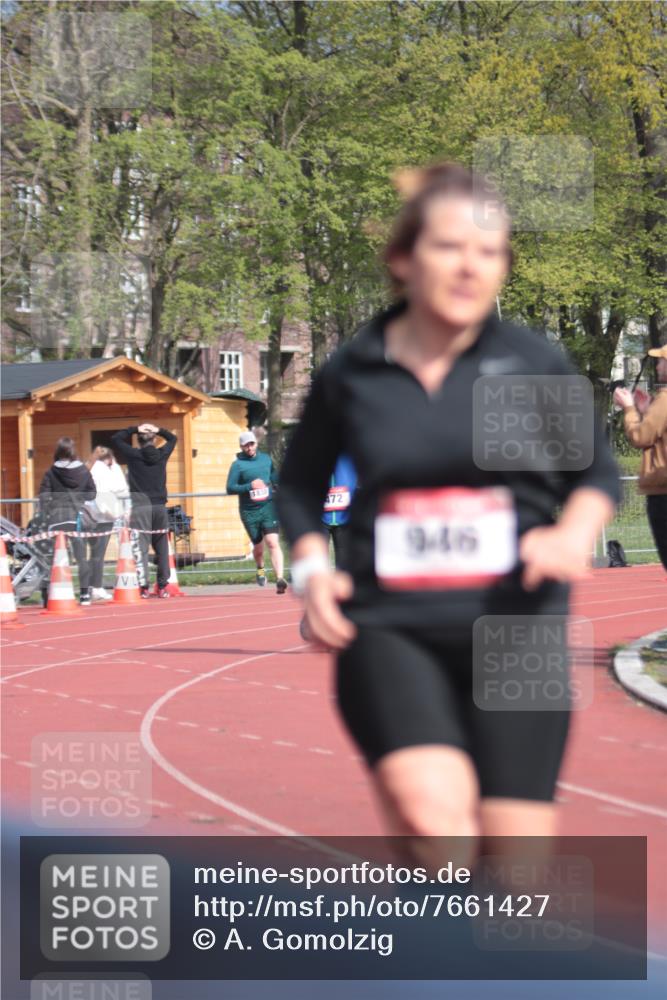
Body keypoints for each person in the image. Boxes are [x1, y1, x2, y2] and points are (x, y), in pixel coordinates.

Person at [278, 161, 619, 862]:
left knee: (515, 868)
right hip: (390, 628)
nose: (470, 267)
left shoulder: (529, 362)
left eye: (489, 252)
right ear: (402, 259)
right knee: (437, 827)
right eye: (448, 247)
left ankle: (431, 961)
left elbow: (594, 472)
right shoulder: (353, 370)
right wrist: (312, 575)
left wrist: (571, 533)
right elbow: (299, 487)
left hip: (514, 632)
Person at [614, 345, 667, 571]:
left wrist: (629, 409)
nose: (658, 365)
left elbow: (641, 436)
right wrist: (646, 411)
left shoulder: (665, 400)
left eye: (662, 361)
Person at [111, 423, 176, 598]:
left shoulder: (134, 455)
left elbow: (116, 438)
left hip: (141, 507)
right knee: (162, 547)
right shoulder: (162, 454)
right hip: (160, 507)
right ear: (154, 440)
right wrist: (159, 429)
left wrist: (134, 428)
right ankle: (163, 586)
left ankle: (143, 587)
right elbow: (173, 438)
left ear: (138, 441)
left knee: (141, 548)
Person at [39, 437, 97, 606]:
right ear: (73, 451)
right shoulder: (83, 471)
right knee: (81, 558)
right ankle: (85, 594)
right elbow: (92, 494)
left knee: (52, 558)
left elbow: (44, 495)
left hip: (56, 519)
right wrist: (79, 497)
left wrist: (47, 511)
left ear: (58, 452)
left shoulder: (51, 472)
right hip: (76, 518)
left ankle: (49, 594)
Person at [226, 430, 287, 594]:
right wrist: (249, 486)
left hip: (268, 508)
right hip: (249, 511)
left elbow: (274, 476)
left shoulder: (266, 459)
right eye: (246, 445)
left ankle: (280, 578)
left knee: (273, 543)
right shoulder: (238, 465)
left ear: (256, 443)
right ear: (241, 446)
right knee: (259, 549)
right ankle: (260, 568)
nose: (249, 448)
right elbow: (230, 488)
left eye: (251, 444)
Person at [86, 446, 130, 601]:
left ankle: (89, 587)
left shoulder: (89, 467)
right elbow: (119, 487)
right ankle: (95, 587)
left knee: (93, 554)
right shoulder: (104, 470)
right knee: (98, 554)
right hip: (103, 516)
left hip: (89, 515)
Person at [322, 454, 358, 567]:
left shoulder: (349, 457)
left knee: (343, 558)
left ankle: (341, 581)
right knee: (319, 556)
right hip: (321, 517)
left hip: (343, 517)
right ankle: (264, 574)